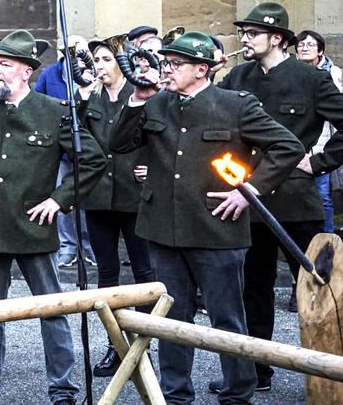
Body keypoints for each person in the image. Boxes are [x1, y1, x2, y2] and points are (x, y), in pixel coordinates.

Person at [110, 30, 305, 404]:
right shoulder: (155, 103)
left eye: (175, 64)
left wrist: (249, 191)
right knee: (170, 317)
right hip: (163, 228)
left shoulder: (235, 105)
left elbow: (287, 146)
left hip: (216, 229)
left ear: (202, 69)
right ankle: (175, 394)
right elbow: (118, 144)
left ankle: (238, 392)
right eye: (166, 62)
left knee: (227, 317)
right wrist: (136, 98)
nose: (166, 70)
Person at [0, 30, 105, 405]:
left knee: (52, 309)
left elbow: (92, 161)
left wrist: (60, 201)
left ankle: (63, 389)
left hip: (32, 224)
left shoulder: (55, 110)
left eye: (4, 65)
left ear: (26, 71)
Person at [215, 4, 343, 392]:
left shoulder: (309, 78)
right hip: (249, 200)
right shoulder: (238, 76)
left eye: (252, 33)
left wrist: (319, 163)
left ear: (277, 37)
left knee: (316, 287)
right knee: (253, 288)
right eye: (243, 32)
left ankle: (331, 376)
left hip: (296, 203)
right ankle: (257, 372)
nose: (244, 39)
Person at [77, 39, 155, 378]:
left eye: (107, 59)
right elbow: (74, 136)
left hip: (134, 194)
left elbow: (159, 136)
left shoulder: (137, 95)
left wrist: (152, 165)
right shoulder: (91, 96)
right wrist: (80, 100)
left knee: (144, 271)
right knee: (106, 274)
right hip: (98, 196)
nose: (101, 65)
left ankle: (145, 344)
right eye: (97, 59)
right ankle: (114, 344)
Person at [33, 37, 95, 268]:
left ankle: (88, 248)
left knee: (88, 203)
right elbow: (39, 100)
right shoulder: (51, 74)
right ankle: (68, 247)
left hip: (86, 146)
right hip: (61, 149)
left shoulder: (93, 73)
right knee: (63, 200)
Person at [295, 29, 343, 233]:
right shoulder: (291, 71)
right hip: (296, 144)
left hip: (320, 144)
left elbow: (333, 105)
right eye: (301, 45)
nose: (305, 48)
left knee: (323, 195)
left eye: (310, 45)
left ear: (320, 50)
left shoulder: (331, 73)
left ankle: (327, 238)